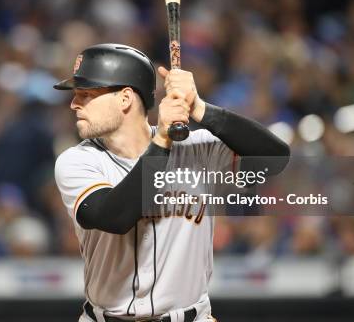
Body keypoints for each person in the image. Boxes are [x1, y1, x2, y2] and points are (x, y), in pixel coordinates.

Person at [53, 43, 290, 322]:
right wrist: (162, 139)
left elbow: (276, 159)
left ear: (125, 98)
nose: (74, 103)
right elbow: (114, 217)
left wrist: (201, 109)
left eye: (86, 94)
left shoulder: (197, 149)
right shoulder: (77, 162)